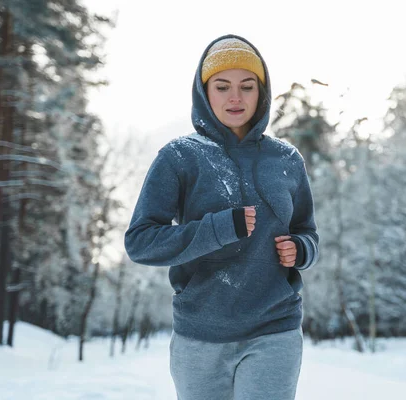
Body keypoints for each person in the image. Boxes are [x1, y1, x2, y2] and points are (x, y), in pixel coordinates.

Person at [124, 34, 319, 400]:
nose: (235, 97)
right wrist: (218, 228)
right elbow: (141, 242)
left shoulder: (287, 160)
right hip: (200, 334)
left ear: (262, 92)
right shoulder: (179, 157)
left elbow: (307, 231)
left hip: (274, 328)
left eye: (247, 86)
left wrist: (302, 249)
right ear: (204, 91)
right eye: (222, 86)